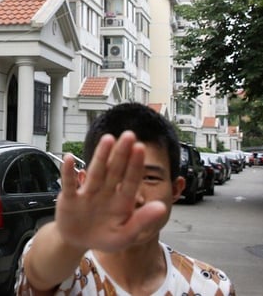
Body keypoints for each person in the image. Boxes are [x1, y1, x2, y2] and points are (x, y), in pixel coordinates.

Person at [16, 103, 235, 296]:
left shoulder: (210, 287)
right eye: (113, 176)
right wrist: (69, 238)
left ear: (176, 189)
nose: (133, 197)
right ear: (84, 182)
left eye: (150, 178)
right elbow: (40, 269)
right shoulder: (70, 271)